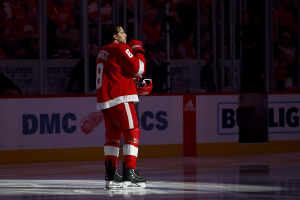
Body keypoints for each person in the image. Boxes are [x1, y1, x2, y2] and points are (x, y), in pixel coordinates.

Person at [96, 24, 146, 189]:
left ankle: (110, 174)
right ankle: (129, 172)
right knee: (132, 133)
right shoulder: (120, 47)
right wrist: (138, 49)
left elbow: (116, 71)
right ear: (115, 36)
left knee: (112, 137)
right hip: (120, 97)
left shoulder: (102, 51)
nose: (125, 34)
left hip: (105, 100)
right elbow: (139, 68)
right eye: (122, 32)